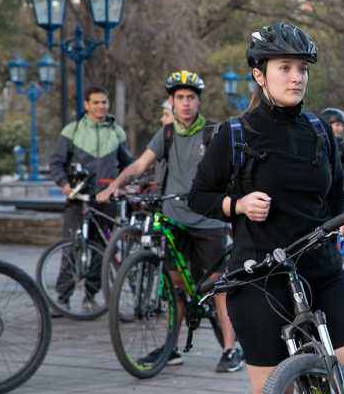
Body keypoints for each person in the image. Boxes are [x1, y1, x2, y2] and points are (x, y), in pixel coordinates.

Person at [188, 22, 344, 394]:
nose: (296, 77)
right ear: (259, 74)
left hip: (322, 270)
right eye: (285, 67)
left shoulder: (318, 130)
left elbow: (337, 196)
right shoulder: (233, 134)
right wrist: (239, 204)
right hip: (259, 278)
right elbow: (198, 196)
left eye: (302, 69)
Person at [96, 70, 243, 372]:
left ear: (198, 102)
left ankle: (231, 350)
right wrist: (115, 186)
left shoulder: (213, 133)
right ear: (171, 102)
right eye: (180, 98)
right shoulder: (166, 134)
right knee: (175, 285)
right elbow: (139, 164)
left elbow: (233, 171)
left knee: (218, 287)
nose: (185, 103)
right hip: (174, 219)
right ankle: (172, 348)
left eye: (190, 98)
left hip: (209, 221)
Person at [48, 85, 133, 314]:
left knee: (102, 251)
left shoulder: (116, 132)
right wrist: (64, 185)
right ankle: (62, 298)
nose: (100, 106)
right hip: (78, 199)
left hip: (106, 201)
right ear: (86, 105)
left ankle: (90, 296)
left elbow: (129, 165)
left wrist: (121, 185)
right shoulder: (73, 131)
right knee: (70, 247)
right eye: (95, 102)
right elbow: (56, 163)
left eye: (104, 102)